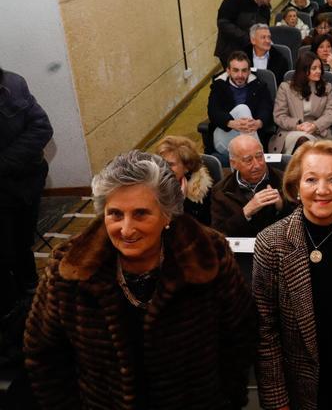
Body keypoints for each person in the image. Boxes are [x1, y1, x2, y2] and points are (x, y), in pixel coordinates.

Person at [25, 151, 257, 408]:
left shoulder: (209, 255)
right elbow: (44, 354)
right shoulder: (69, 268)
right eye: (115, 214)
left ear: (167, 214)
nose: (126, 229)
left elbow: (238, 336)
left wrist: (227, 400)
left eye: (141, 214)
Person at [253, 140, 332, 409]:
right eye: (311, 180)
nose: (322, 190)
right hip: (304, 389)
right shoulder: (272, 243)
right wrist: (277, 402)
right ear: (296, 187)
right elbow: (266, 331)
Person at [0, 68, 52, 310]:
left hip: (26, 183)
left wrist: (4, 163)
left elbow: (41, 128)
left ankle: (32, 291)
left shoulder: (14, 83)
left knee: (22, 242)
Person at [211, 135, 292, 237]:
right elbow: (218, 234)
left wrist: (282, 207)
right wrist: (245, 213)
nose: (257, 165)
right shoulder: (221, 191)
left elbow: (302, 224)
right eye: (248, 160)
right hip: (241, 250)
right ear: (233, 163)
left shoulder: (285, 181)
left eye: (259, 157)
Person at [268, 51, 332, 154]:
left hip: (318, 133)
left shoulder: (327, 88)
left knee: (306, 143)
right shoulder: (285, 88)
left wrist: (315, 126)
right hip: (291, 132)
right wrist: (297, 126)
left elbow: (330, 113)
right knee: (303, 140)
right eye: (314, 68)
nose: (318, 71)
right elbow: (279, 115)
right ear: (303, 70)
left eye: (320, 68)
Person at [207, 51, 273, 156]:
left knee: (244, 152)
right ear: (228, 71)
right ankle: (259, 156)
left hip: (250, 134)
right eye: (236, 70)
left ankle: (252, 156)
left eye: (244, 71)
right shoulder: (219, 86)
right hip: (225, 136)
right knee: (243, 109)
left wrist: (259, 123)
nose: (240, 75)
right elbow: (213, 111)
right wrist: (231, 123)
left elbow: (266, 108)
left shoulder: (259, 86)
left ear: (249, 71)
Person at [214, 0, 274, 65]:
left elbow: (264, 27)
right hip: (229, 51)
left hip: (250, 51)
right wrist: (247, 37)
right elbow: (222, 23)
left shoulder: (265, 6)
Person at [156, 135, 214, 225]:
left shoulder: (201, 189)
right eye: (160, 162)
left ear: (187, 167)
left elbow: (200, 225)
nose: (163, 168)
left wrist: (181, 202)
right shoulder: (151, 184)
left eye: (170, 164)